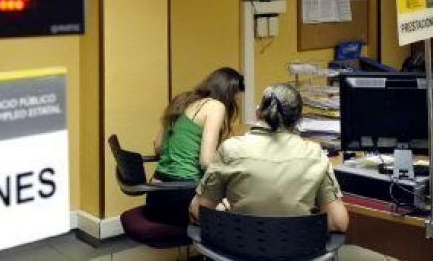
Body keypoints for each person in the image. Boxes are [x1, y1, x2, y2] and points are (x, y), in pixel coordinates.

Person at [190, 83, 349, 233]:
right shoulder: (315, 154)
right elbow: (338, 222)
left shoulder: (230, 149)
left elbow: (198, 211)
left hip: (239, 247)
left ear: (258, 112)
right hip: (296, 248)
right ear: (298, 120)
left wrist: (226, 210)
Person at [145, 67, 244, 226]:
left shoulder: (182, 100)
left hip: (155, 197)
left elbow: (158, 147)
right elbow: (206, 161)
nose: (236, 102)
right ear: (229, 92)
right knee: (238, 207)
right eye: (236, 98)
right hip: (182, 197)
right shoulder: (215, 106)